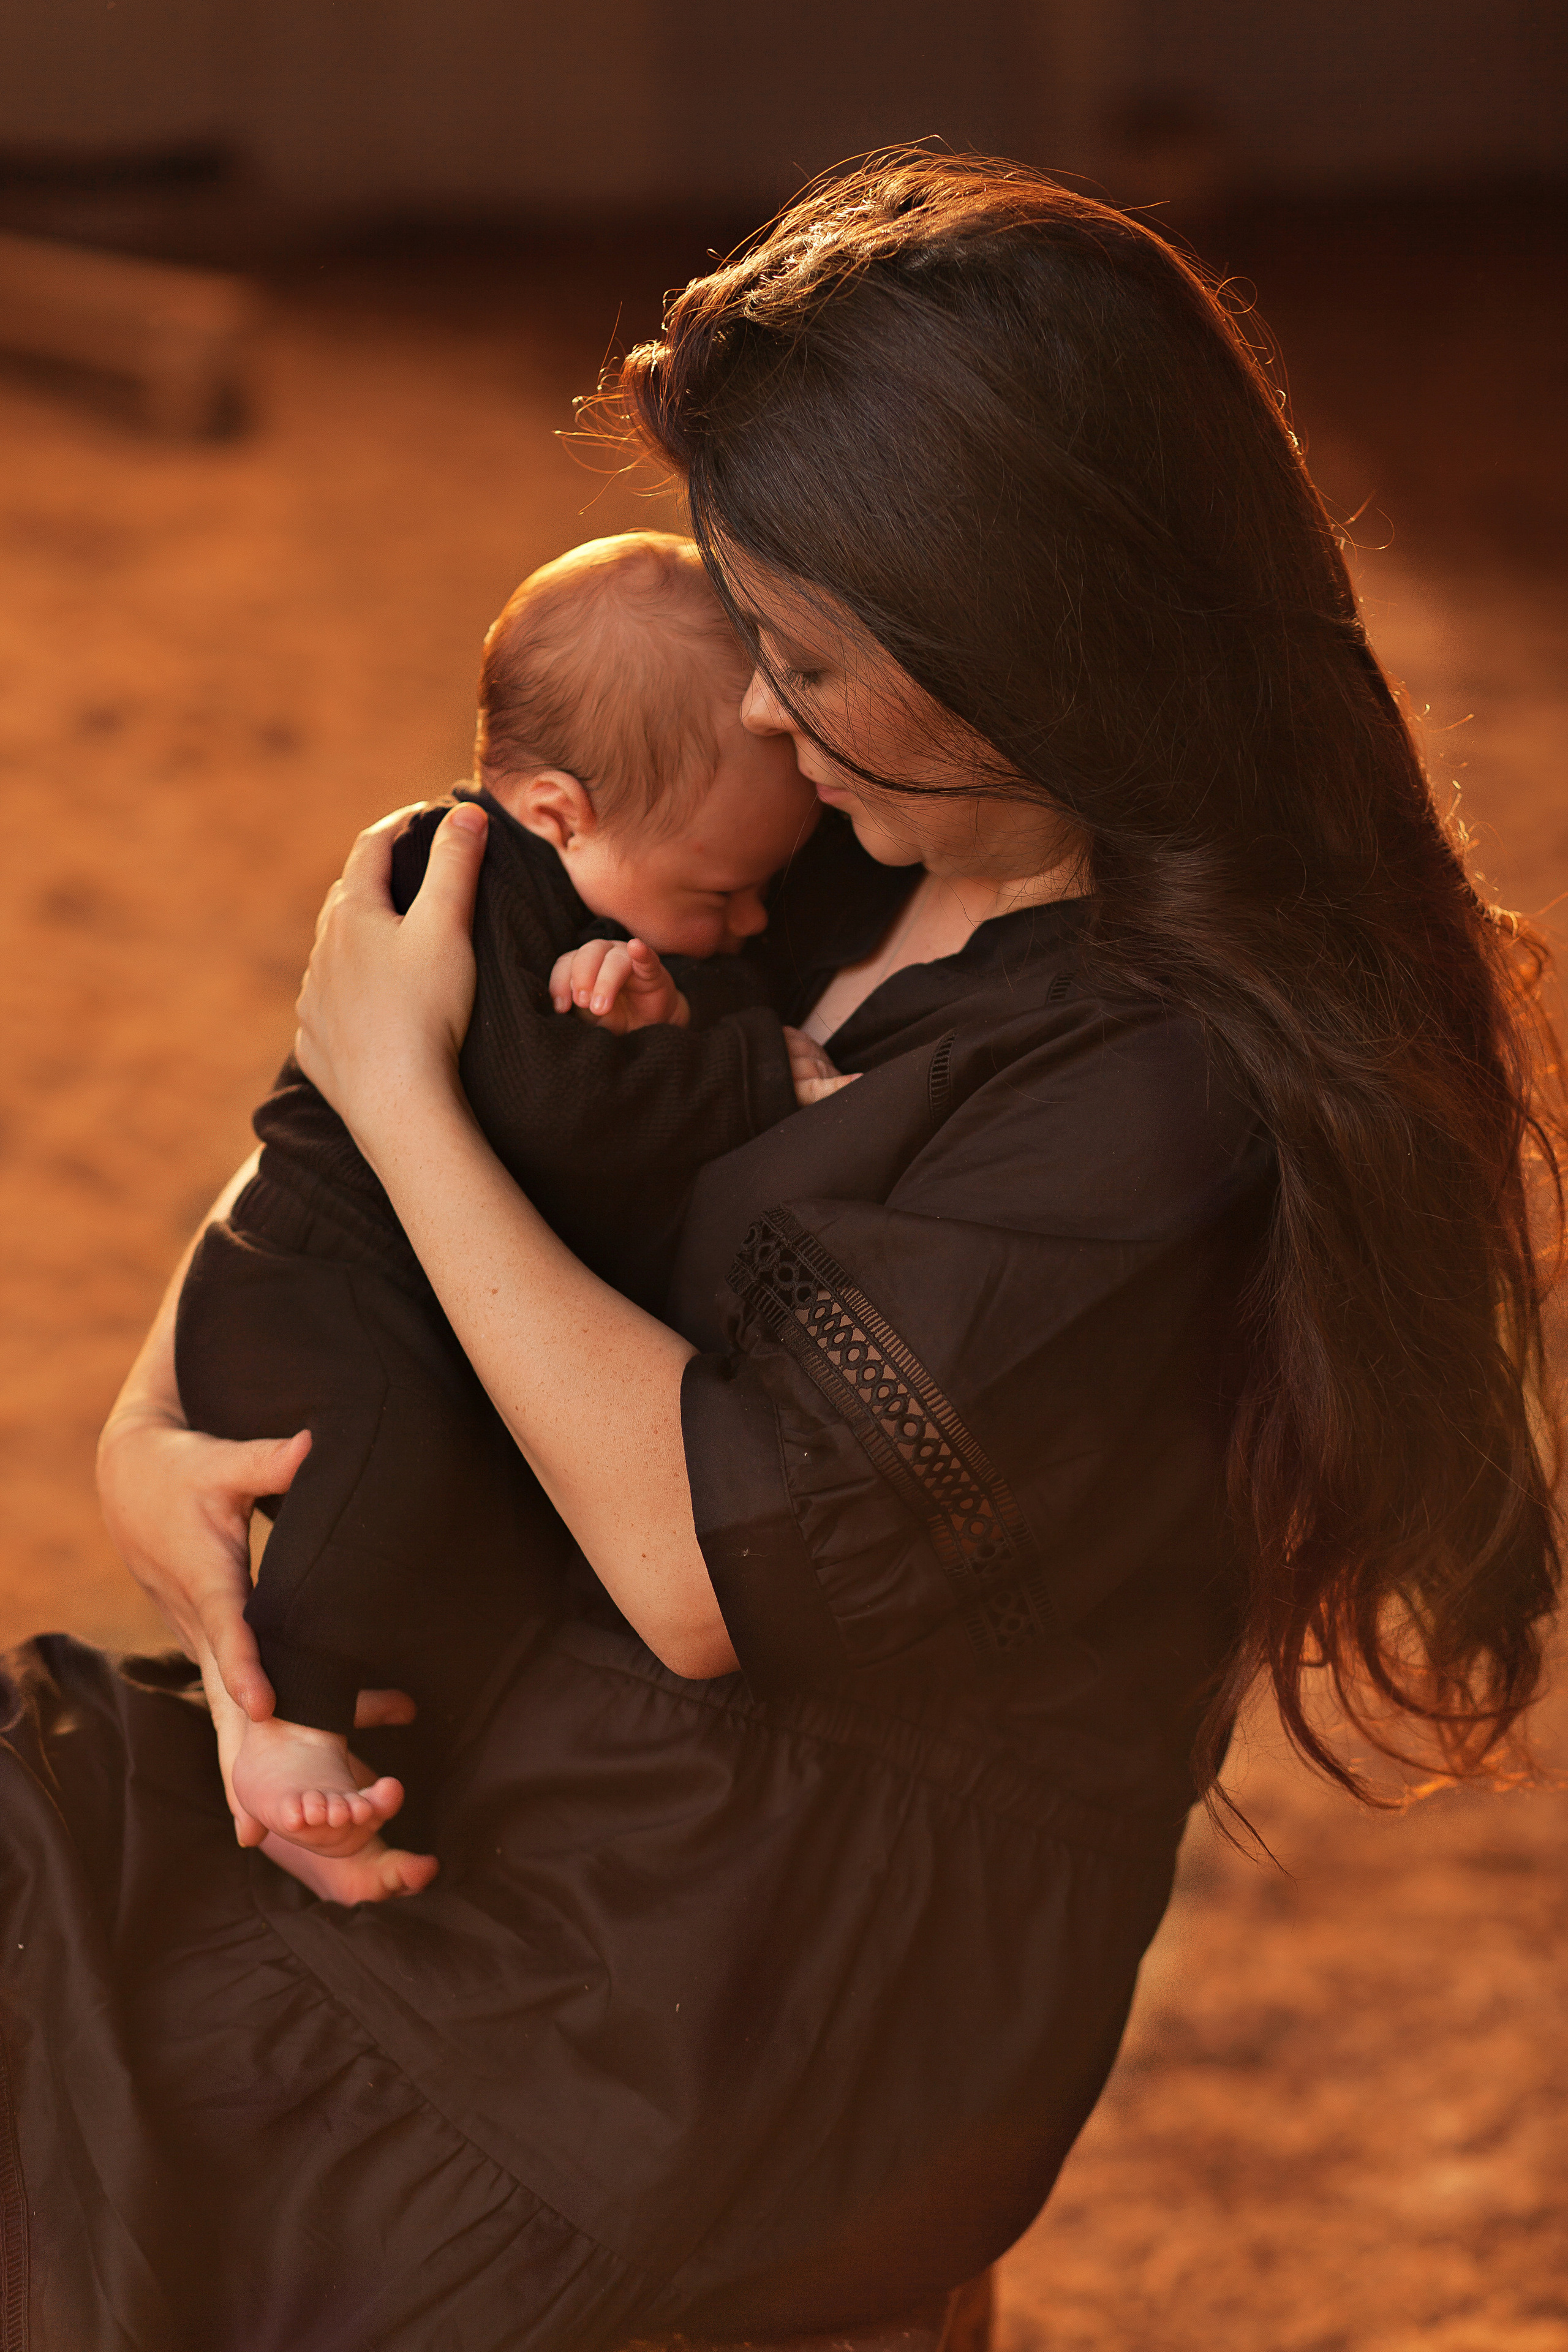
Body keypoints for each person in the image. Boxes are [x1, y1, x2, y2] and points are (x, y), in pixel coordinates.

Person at [7, 151, 1560, 2352]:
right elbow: (376, 1145)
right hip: (518, 1769)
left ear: (1022, 632)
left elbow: (694, 1561)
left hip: (714, 1998)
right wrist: (149, 1432)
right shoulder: (838, 846)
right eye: (755, 638)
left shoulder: (1159, 1088)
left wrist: (393, 1088)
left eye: (812, 658)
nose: (763, 715)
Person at [172, 529, 820, 1903]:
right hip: (310, 1286)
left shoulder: (593, 895)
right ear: (555, 812)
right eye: (720, 893)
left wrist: (673, 1011)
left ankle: (365, 1732)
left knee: (463, 1514)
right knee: (392, 1447)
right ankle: (283, 1719)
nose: (753, 922)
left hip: (415, 1295)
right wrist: (752, 1072)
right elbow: (544, 1109)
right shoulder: (447, 879)